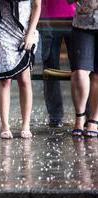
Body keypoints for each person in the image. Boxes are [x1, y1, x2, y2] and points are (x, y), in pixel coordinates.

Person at [0, 0, 41, 139]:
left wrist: (30, 33)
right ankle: (4, 125)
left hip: (25, 30)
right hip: (3, 28)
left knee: (25, 79)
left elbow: (37, 6)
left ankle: (26, 125)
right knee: (4, 80)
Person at [41, 0, 75, 128]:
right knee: (50, 69)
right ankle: (55, 116)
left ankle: (86, 114)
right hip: (48, 18)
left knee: (82, 70)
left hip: (75, 18)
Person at [69, 0, 98, 137]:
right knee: (79, 73)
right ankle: (80, 116)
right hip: (82, 23)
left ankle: (93, 120)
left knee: (97, 76)